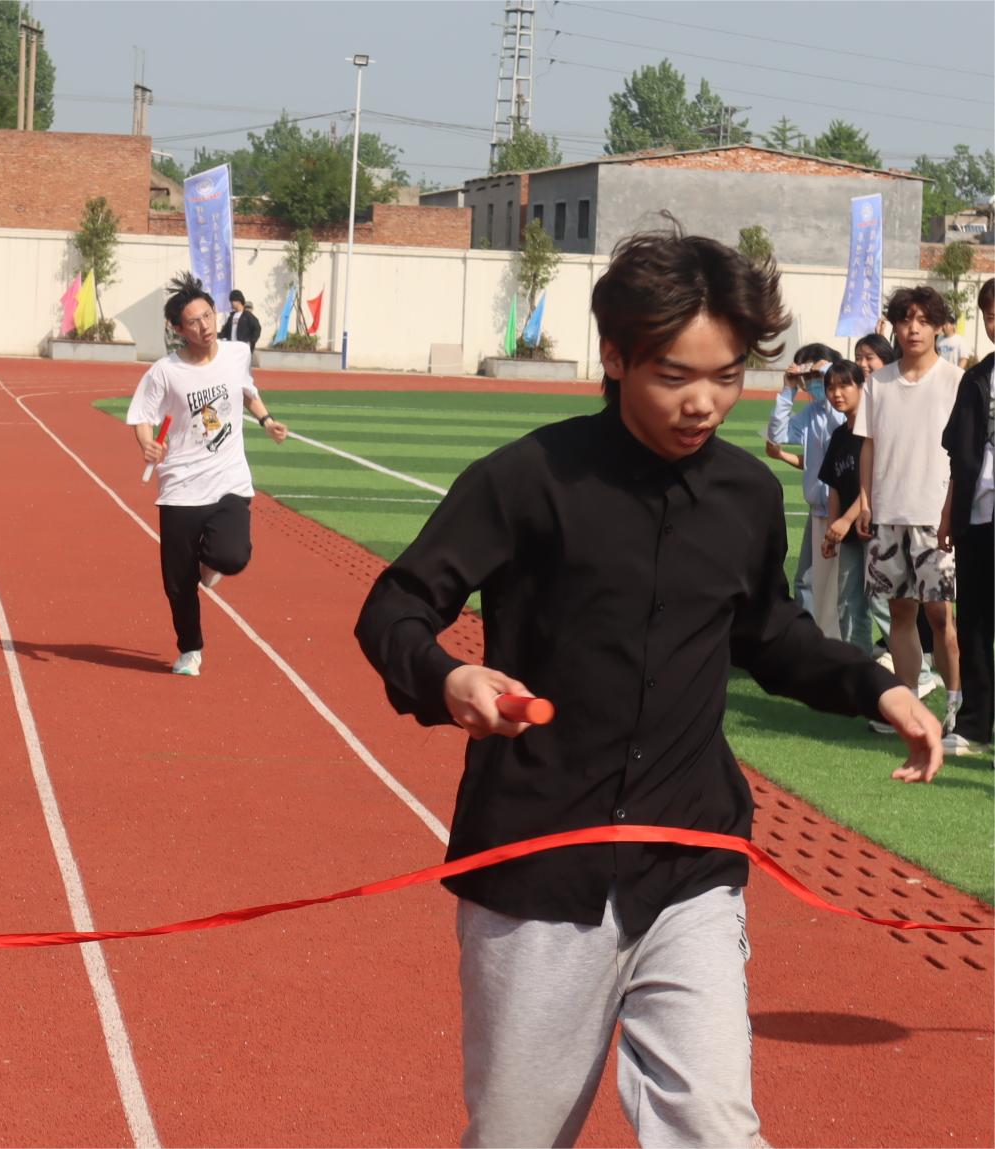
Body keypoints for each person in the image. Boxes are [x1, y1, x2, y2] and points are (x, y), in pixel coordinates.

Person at [354, 224, 939, 1148]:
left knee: (714, 1127)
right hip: (539, 867)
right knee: (518, 1133)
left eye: (728, 374)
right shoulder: (525, 481)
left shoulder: (747, 496)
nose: (705, 401)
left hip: (690, 862)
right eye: (675, 375)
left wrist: (876, 687)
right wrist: (447, 675)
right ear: (616, 356)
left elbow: (770, 634)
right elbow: (394, 608)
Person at [127, 272, 288, 676]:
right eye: (194, 321)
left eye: (208, 315)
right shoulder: (165, 372)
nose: (205, 325)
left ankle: (210, 564)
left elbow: (247, 390)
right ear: (178, 329)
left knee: (232, 556)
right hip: (181, 486)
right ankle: (190, 650)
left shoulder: (236, 354)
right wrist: (146, 443)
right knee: (177, 583)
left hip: (229, 478)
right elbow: (142, 416)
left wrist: (266, 421)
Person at [856, 285, 968, 752]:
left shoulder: (954, 381)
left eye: (923, 319)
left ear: (938, 325)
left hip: (933, 515)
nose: (913, 328)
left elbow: (963, 454)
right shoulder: (877, 383)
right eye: (905, 320)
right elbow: (868, 443)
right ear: (895, 326)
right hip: (887, 514)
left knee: (941, 615)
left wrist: (951, 511)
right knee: (899, 613)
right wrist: (865, 500)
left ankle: (958, 708)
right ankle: (908, 707)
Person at [937, 277, 995, 752]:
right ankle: (974, 725)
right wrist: (949, 516)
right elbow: (958, 455)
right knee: (975, 620)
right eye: (990, 315)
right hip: (977, 516)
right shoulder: (976, 378)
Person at [765, 341, 844, 625]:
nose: (812, 383)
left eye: (815, 376)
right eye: (806, 377)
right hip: (818, 511)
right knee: (807, 582)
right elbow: (778, 433)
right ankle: (808, 641)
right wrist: (788, 389)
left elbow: (847, 416)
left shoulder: (845, 410)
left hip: (845, 511)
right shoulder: (811, 415)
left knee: (847, 587)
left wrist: (831, 372)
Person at [817, 360, 874, 652]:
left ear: (861, 386)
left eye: (844, 385)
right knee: (849, 603)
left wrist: (846, 521)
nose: (836, 393)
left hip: (872, 528)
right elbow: (834, 485)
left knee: (884, 605)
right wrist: (832, 529)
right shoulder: (839, 435)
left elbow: (873, 484)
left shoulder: (872, 431)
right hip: (849, 534)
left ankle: (919, 675)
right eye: (830, 387)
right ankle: (861, 670)